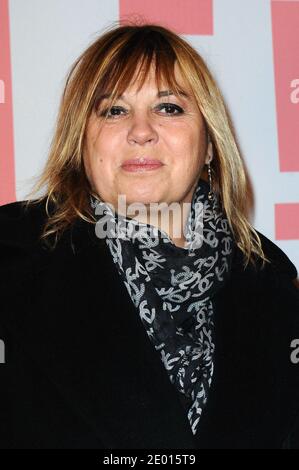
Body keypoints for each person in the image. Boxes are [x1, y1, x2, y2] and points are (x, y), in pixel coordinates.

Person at [0, 23, 298, 450]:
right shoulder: (10, 270)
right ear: (80, 144)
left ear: (210, 145)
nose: (141, 131)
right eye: (114, 110)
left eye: (169, 108)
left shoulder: (277, 293)